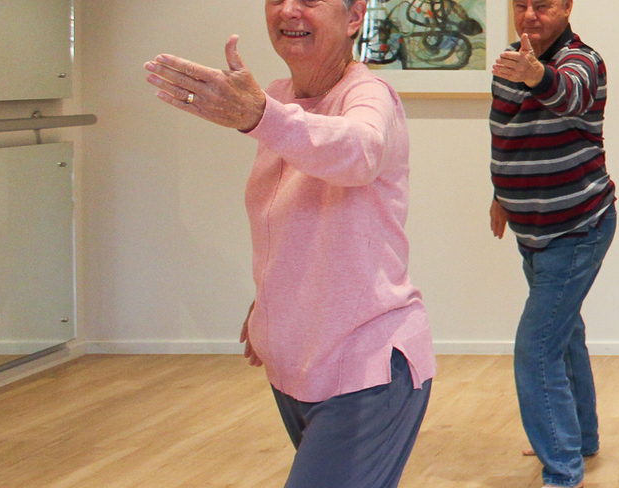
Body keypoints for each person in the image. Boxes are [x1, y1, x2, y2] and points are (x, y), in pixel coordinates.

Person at [142, 0, 434, 486]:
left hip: (370, 372)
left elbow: (358, 152)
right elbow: (291, 222)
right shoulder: (279, 98)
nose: (288, 10)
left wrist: (259, 115)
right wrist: (270, 308)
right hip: (295, 370)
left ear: (354, 16)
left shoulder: (369, 96)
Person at [488, 1, 615, 487]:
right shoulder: (506, 62)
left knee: (535, 349)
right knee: (562, 337)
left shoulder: (583, 60)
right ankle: (579, 438)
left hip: (578, 229)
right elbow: (504, 135)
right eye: (521, 4)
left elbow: (568, 95)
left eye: (542, 4)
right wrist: (500, 194)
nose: (530, 14)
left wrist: (537, 75)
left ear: (566, 7)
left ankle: (562, 469)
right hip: (534, 231)